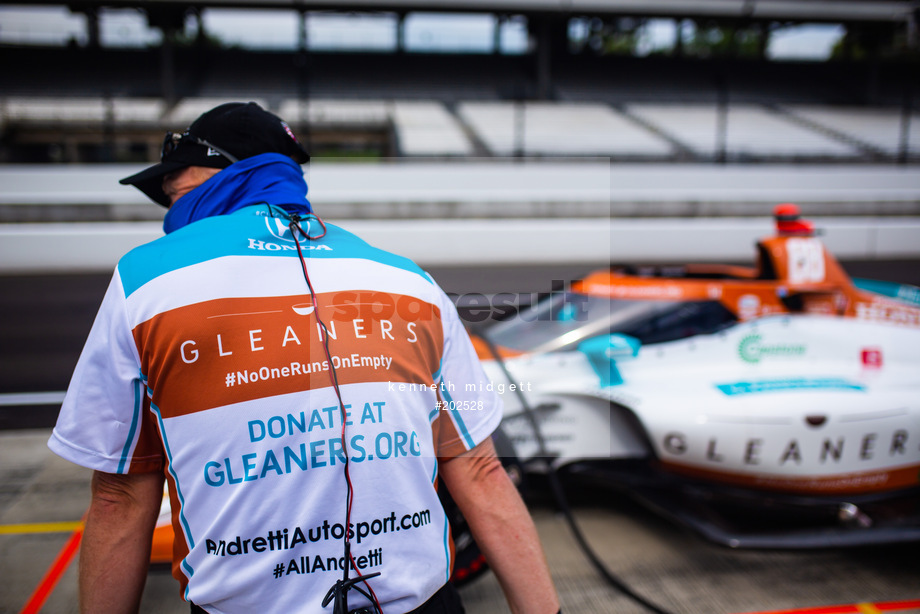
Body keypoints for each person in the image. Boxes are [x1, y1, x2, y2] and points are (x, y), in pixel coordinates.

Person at [49, 102, 560, 614]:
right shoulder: (409, 280)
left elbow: (121, 496)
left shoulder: (145, 280)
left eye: (175, 186)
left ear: (224, 169)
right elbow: (480, 470)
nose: (168, 203)